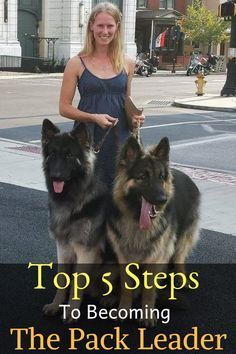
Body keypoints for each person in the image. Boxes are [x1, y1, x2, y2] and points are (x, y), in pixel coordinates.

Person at [59, 2, 145, 187]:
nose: (104, 31)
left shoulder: (128, 63)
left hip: (119, 139)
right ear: (91, 26)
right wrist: (93, 117)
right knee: (88, 193)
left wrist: (135, 118)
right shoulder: (76, 63)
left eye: (110, 26)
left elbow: (126, 103)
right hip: (87, 138)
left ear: (117, 28)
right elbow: (64, 108)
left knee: (119, 193)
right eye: (100, 25)